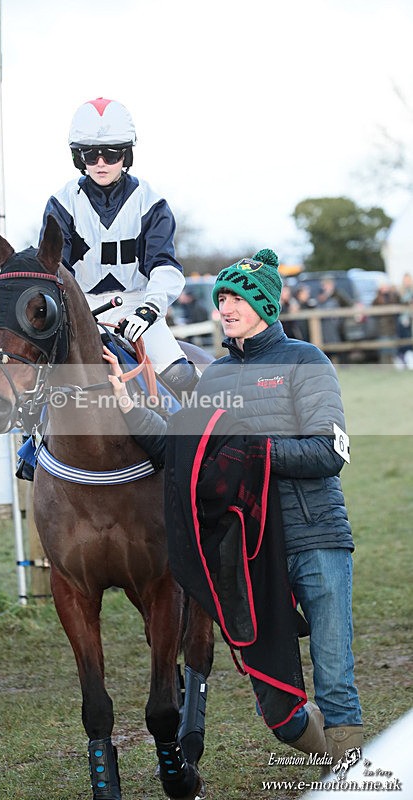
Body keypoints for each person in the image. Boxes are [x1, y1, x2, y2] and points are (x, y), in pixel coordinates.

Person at [103, 248, 363, 767]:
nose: (224, 306)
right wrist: (129, 405)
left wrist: (253, 450)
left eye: (236, 297)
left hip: (315, 538)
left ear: (264, 304)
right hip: (247, 552)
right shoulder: (217, 377)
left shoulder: (306, 361)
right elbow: (180, 451)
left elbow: (329, 452)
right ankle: (324, 755)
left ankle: (348, 770)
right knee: (278, 703)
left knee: (334, 678)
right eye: (220, 298)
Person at [39, 97, 198, 395]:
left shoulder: (151, 202)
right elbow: (53, 271)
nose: (100, 162)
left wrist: (150, 309)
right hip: (81, 309)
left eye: (111, 154)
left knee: (183, 379)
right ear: (78, 157)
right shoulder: (61, 203)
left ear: (127, 155)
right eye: (90, 154)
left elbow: (164, 265)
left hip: (138, 306)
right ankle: (34, 441)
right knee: (36, 387)